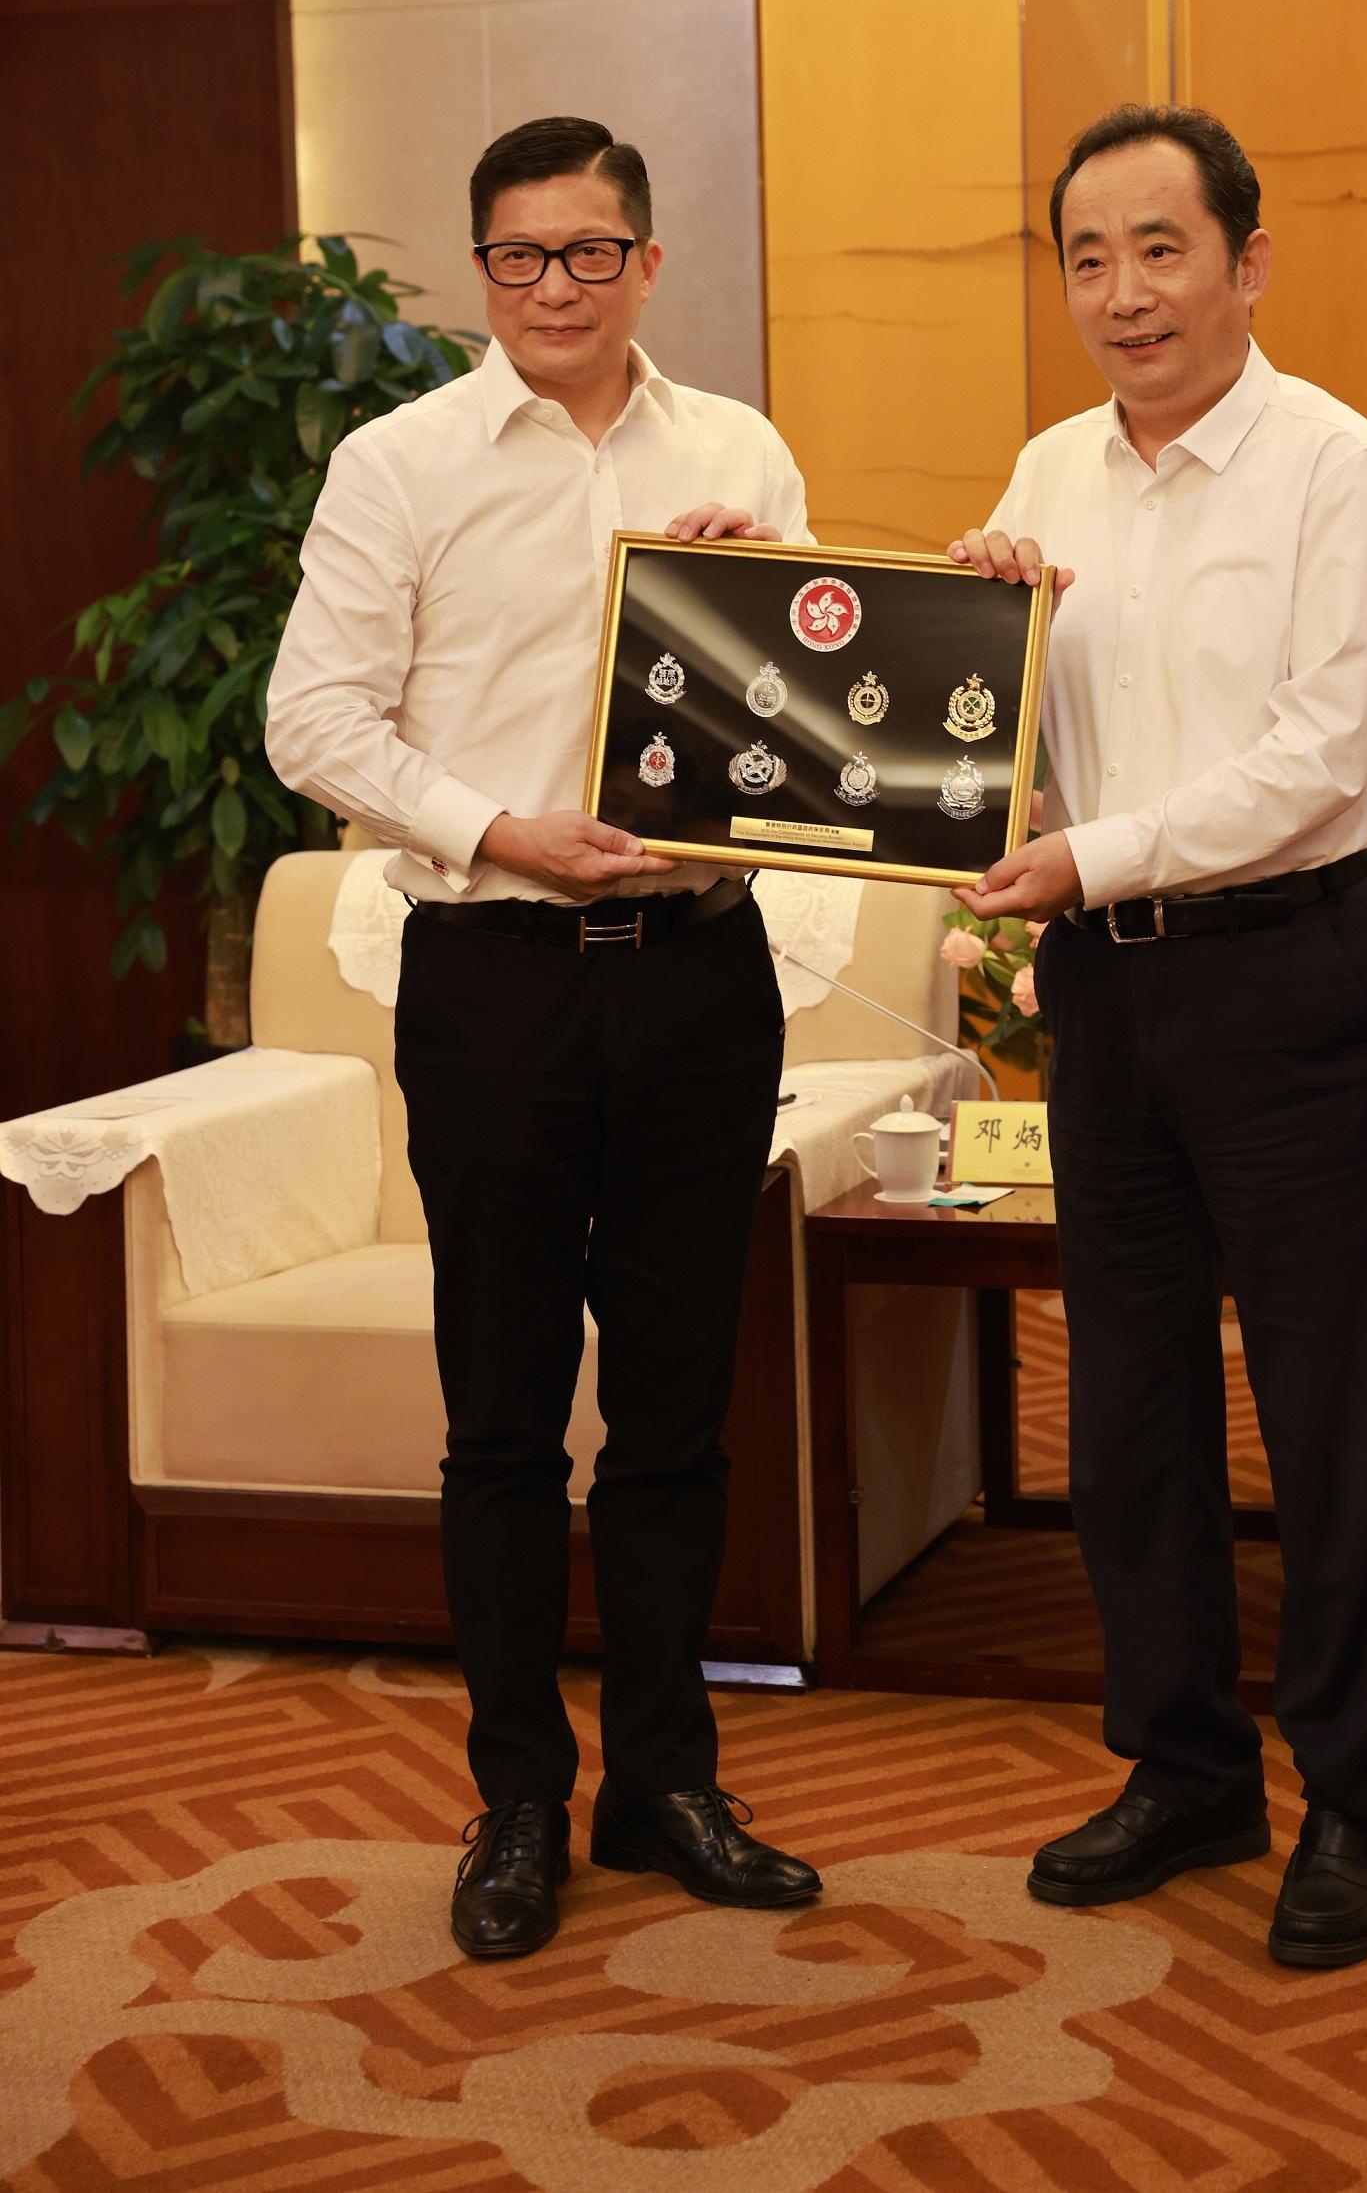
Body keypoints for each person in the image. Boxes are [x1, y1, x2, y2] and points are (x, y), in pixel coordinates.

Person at [267, 113, 822, 1961]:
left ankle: (666, 1780)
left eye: (589, 253)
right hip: (495, 973)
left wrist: (768, 607)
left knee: (680, 1407)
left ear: (649, 265)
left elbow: (810, 723)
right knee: (503, 1416)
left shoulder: (734, 444)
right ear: (482, 272)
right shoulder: (397, 461)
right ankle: (518, 1795)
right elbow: (315, 723)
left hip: (699, 970)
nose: (555, 288)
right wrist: (499, 829)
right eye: (519, 257)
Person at [949, 103, 1367, 1971]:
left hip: (1288, 968)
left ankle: (1355, 1809)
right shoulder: (1049, 469)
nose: (1124, 293)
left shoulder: (1336, 468)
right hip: (1105, 987)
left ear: (1245, 258)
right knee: (1132, 1404)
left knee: (1328, 1413)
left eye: (1161, 249)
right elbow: (1002, 737)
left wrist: (1084, 853)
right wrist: (966, 663)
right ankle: (1181, 1769)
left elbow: (1316, 762)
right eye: (1087, 256)